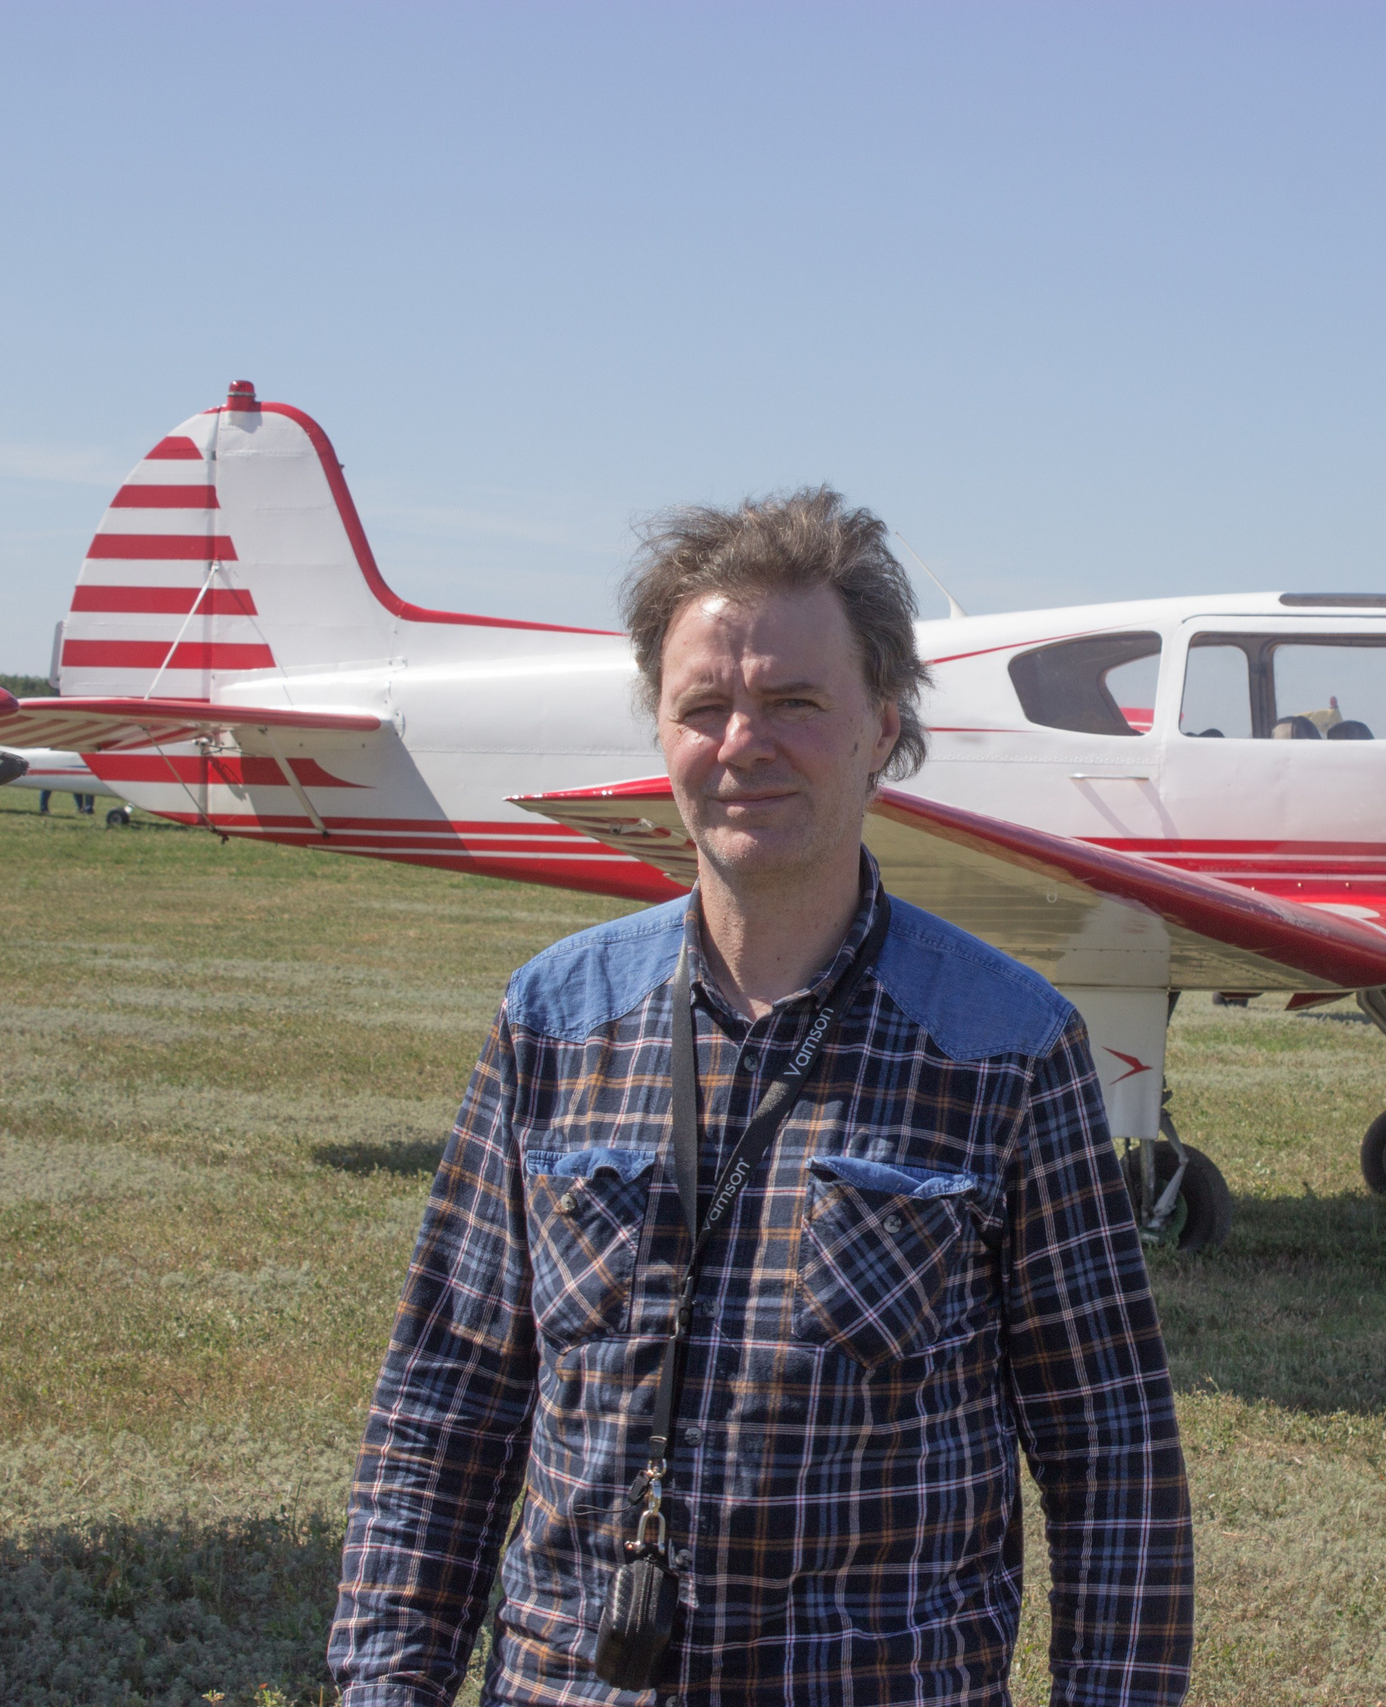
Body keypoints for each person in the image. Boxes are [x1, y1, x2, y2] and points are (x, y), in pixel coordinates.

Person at [330, 489, 1193, 1706]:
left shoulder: (1005, 1047)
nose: (743, 743)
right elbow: (445, 1408)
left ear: (883, 727)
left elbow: (1111, 1454)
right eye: (704, 708)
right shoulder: (553, 1020)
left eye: (794, 703)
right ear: (662, 731)